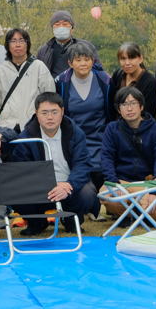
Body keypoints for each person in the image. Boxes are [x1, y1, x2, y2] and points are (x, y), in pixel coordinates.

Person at [11, 92, 97, 235]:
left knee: (87, 192)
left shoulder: (75, 132)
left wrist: (68, 184)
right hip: (39, 187)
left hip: (68, 185)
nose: (50, 117)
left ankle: (72, 221)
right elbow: (22, 171)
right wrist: (44, 185)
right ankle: (36, 223)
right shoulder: (26, 137)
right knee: (14, 192)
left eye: (54, 112)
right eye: (44, 113)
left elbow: (83, 164)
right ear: (36, 113)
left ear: (62, 112)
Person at [99, 87, 156, 218]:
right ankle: (134, 213)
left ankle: (138, 212)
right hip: (121, 182)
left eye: (133, 103)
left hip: (148, 183)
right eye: (124, 104)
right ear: (119, 109)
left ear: (141, 106)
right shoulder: (112, 129)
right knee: (107, 195)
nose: (129, 108)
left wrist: (154, 190)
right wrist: (114, 183)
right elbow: (106, 157)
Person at [55, 42, 111, 197]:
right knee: (81, 180)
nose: (83, 64)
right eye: (78, 60)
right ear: (70, 63)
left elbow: (111, 110)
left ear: (93, 61)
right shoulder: (62, 82)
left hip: (100, 137)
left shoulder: (104, 80)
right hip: (74, 138)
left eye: (87, 59)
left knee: (101, 176)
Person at [0, 28, 55, 130]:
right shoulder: (1, 70)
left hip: (33, 124)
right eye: (13, 41)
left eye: (21, 41)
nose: (17, 45)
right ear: (8, 45)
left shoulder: (39, 66)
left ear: (27, 44)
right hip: (6, 124)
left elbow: (49, 95)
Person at [35, 10, 100, 77]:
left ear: (72, 28)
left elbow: (98, 71)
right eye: (57, 25)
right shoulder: (44, 51)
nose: (61, 27)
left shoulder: (86, 47)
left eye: (65, 24)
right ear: (52, 29)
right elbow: (38, 74)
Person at [107, 42, 156, 120]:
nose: (127, 63)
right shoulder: (118, 75)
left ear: (140, 59)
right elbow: (111, 104)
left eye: (131, 58)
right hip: (117, 124)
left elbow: (149, 112)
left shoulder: (150, 82)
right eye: (123, 59)